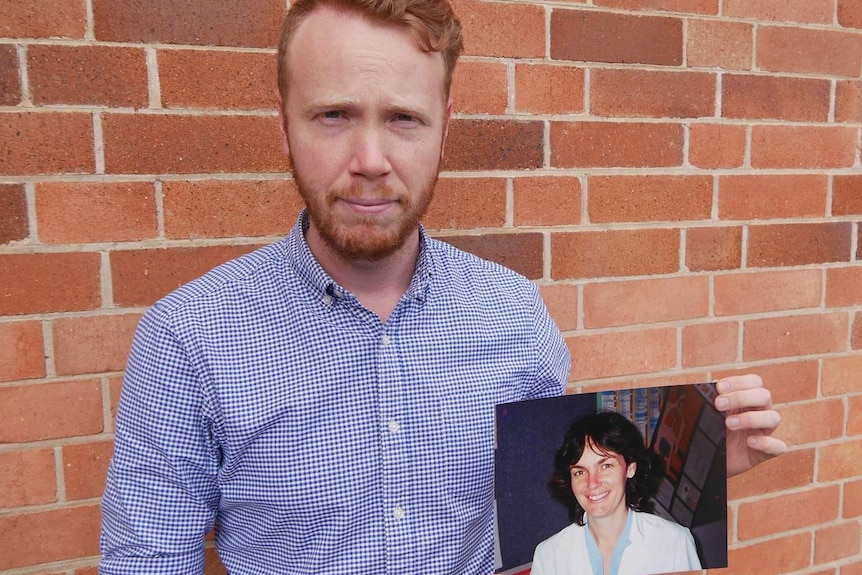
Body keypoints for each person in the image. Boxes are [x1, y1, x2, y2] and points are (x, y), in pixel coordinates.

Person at [98, 0, 786, 573]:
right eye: (333, 115)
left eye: (403, 118)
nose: (369, 160)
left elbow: (562, 530)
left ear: (444, 128)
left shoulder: (514, 314)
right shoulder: (187, 340)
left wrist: (685, 486)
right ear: (284, 124)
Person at [531, 412, 701, 575]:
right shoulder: (548, 556)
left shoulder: (675, 543)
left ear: (630, 468)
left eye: (606, 466)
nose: (593, 483)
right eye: (580, 472)